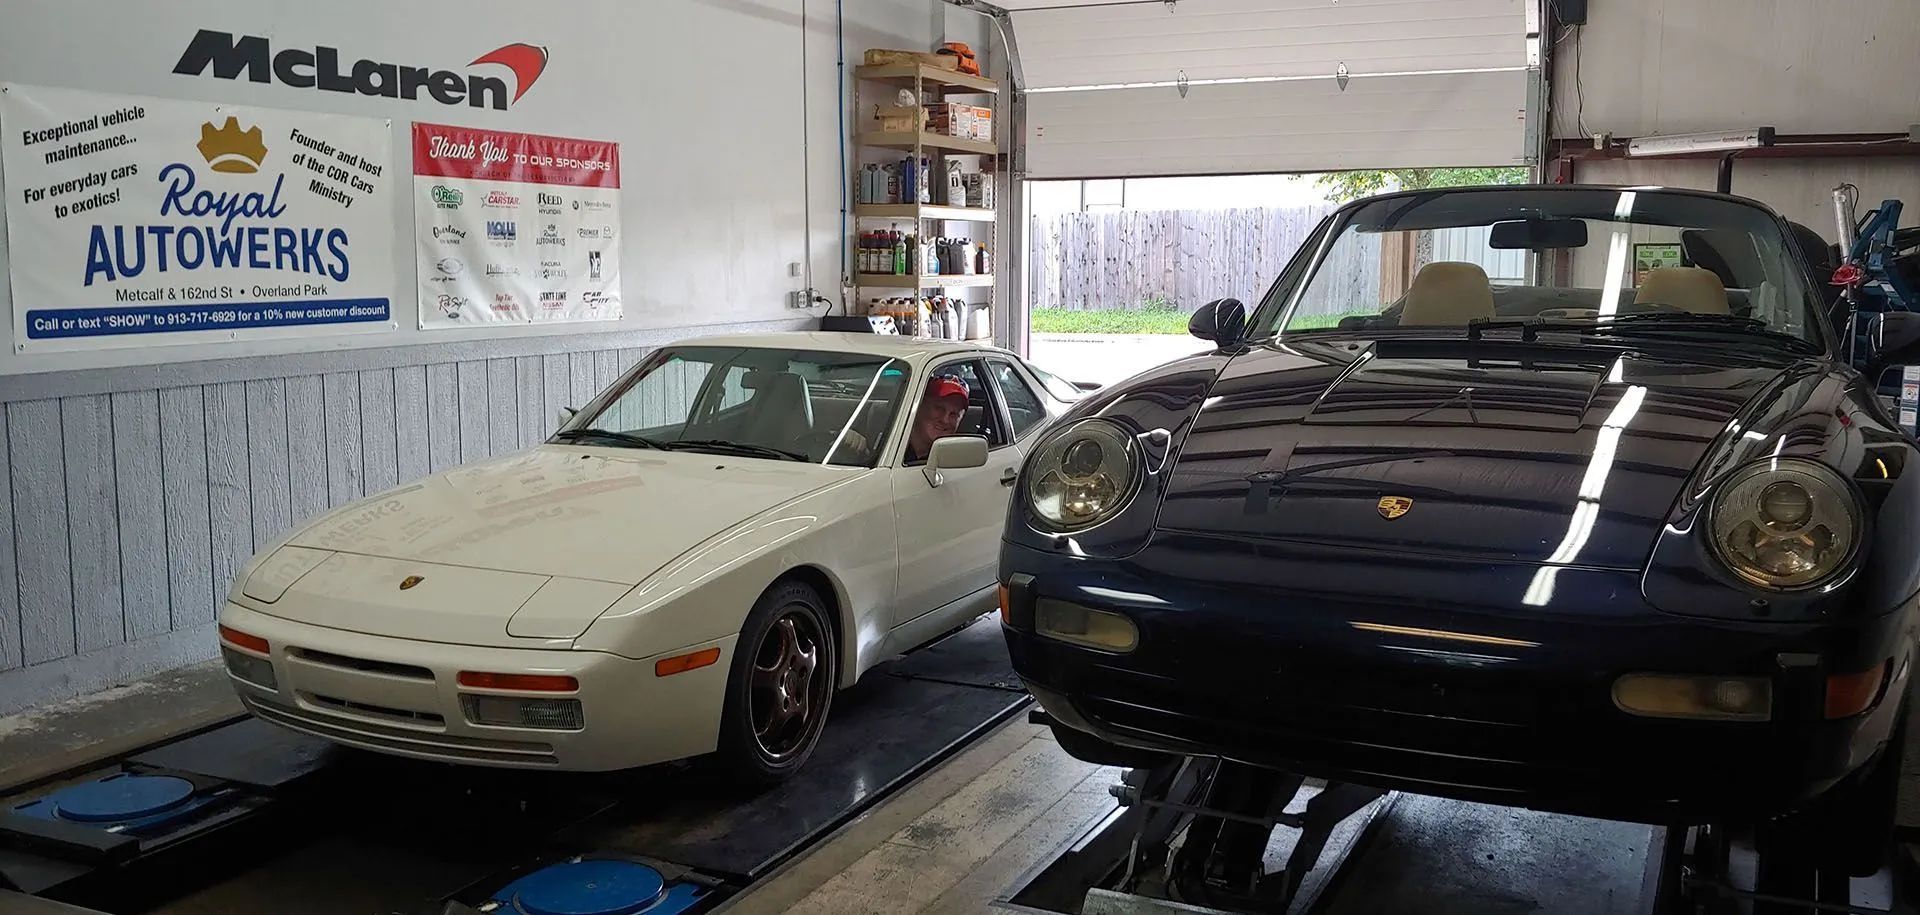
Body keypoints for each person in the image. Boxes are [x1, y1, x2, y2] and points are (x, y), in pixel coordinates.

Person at [904, 375, 969, 464]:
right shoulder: (887, 446)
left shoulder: (958, 462)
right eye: (939, 408)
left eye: (954, 414)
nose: (945, 420)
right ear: (919, 406)